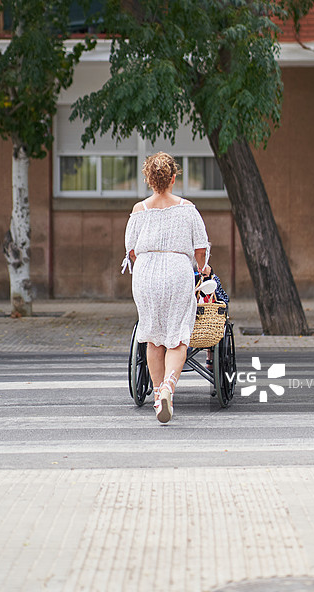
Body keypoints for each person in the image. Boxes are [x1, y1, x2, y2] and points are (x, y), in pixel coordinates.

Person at [122, 152, 210, 424]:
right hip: (176, 271)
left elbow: (131, 250)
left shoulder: (139, 210)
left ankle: (158, 393)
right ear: (173, 178)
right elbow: (200, 248)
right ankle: (169, 386)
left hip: (146, 274)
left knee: (153, 336)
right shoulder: (187, 209)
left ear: (149, 180)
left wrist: (146, 265)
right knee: (178, 336)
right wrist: (202, 268)